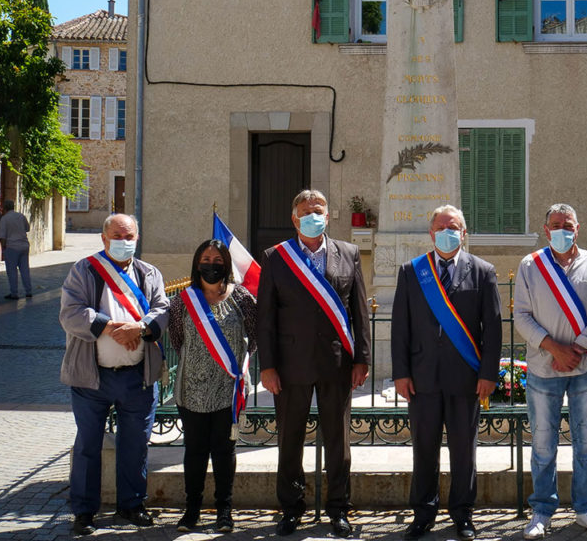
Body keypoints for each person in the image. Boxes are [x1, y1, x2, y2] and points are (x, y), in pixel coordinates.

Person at [257, 189, 372, 538]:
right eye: (305, 211)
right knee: (289, 440)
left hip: (336, 362)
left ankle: (338, 509)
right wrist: (268, 366)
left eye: (318, 209)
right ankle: (291, 508)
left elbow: (360, 311)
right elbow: (266, 318)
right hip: (290, 365)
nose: (312, 215)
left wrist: (361, 359)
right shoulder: (276, 257)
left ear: (328, 214)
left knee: (338, 441)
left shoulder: (348, 253)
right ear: (294, 218)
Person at [392, 206, 502, 541]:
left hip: (465, 377)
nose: (447, 232)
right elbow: (400, 328)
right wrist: (401, 373)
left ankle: (463, 515)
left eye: (453, 227)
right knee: (424, 449)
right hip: (422, 377)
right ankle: (423, 514)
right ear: (430, 233)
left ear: (464, 232)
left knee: (463, 450)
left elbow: (493, 329)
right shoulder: (412, 272)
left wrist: (488, 374)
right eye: (441, 227)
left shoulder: (482, 271)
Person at [59, 213, 169, 536]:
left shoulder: (149, 274)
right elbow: (70, 313)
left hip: (137, 376)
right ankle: (84, 512)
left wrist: (140, 327)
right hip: (92, 378)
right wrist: (108, 326)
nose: (125, 242)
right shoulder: (84, 271)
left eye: (130, 236)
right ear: (104, 239)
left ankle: (132, 505)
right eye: (118, 236)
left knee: (135, 445)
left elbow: (163, 310)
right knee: (87, 446)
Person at [513, 204, 587, 539]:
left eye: (567, 224)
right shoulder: (530, 265)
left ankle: (585, 508)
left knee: (586, 444)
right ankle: (542, 511)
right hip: (544, 367)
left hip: (585, 368)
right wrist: (556, 350)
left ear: (577, 228)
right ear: (545, 229)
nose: (561, 230)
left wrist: (579, 348)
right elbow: (522, 317)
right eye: (555, 225)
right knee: (543, 445)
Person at [169, 238, 258, 533]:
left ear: (227, 265)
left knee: (224, 451)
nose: (211, 265)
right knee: (194, 451)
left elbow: (254, 337)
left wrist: (237, 367)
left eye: (218, 261)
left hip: (228, 390)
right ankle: (191, 510)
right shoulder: (183, 300)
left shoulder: (242, 298)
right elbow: (177, 339)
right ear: (197, 264)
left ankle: (224, 511)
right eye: (206, 260)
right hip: (191, 389)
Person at [0, 198, 31, 299]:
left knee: (12, 271)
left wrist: (3, 248)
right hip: (24, 245)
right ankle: (28, 291)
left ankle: (14, 293)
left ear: (4, 208)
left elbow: (2, 235)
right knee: (25, 269)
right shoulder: (21, 216)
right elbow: (27, 228)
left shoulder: (4, 219)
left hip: (12, 246)